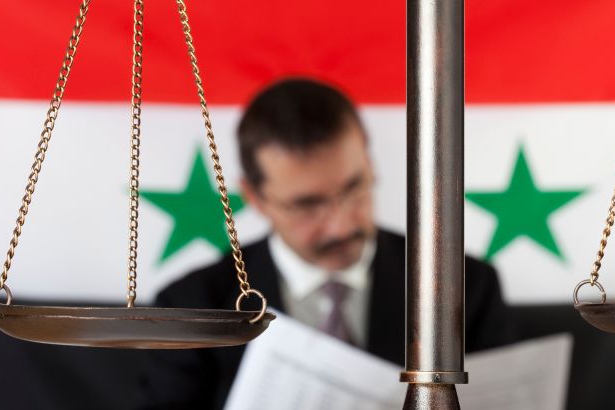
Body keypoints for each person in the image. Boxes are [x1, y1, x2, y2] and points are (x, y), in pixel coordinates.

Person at [138, 78, 517, 409]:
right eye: (307, 204)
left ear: (370, 164)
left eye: (354, 188)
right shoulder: (190, 307)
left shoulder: (466, 286)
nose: (340, 225)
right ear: (254, 198)